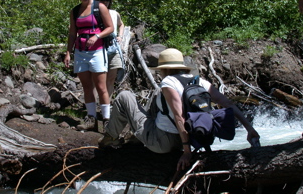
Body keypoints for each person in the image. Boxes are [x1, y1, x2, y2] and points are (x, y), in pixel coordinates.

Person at [98, 48, 260, 171]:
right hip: (194, 139)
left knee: (125, 96)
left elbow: (179, 116)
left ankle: (111, 137)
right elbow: (229, 105)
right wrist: (250, 129)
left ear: (163, 68)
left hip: (164, 142)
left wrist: (187, 152)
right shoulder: (199, 82)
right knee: (156, 94)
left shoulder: (168, 83)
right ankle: (136, 137)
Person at [64, 0, 114, 131]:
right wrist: (68, 52)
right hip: (80, 52)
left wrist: (97, 36)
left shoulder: (100, 7)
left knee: (101, 87)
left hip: (97, 51)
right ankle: (91, 118)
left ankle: (106, 120)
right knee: (86, 86)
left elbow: (110, 27)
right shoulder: (74, 11)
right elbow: (72, 33)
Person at [95, 0, 125, 99]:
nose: (105, 1)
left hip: (112, 47)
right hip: (97, 48)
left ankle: (106, 104)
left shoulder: (114, 13)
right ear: (97, 0)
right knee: (96, 79)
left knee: (111, 78)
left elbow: (121, 25)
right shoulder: (92, 12)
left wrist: (120, 36)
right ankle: (95, 105)